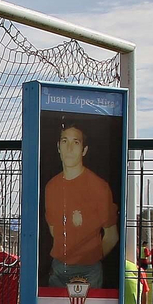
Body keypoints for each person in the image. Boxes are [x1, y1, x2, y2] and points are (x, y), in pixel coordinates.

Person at [45, 124, 119, 290]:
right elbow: (53, 229)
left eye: (76, 142)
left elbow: (111, 236)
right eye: (65, 141)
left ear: (84, 150)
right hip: (58, 267)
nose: (69, 148)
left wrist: (89, 258)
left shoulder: (99, 187)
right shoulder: (52, 186)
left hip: (88, 271)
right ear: (58, 147)